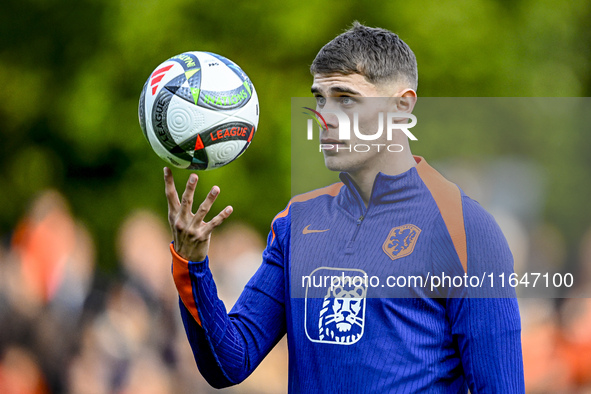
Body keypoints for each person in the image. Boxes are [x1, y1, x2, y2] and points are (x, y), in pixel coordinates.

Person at [164, 22, 525, 393]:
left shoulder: (464, 228)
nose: (325, 117)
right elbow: (229, 362)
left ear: (402, 106)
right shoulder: (297, 221)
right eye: (320, 98)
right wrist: (192, 264)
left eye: (346, 98)